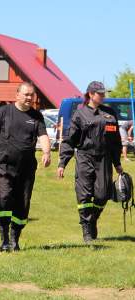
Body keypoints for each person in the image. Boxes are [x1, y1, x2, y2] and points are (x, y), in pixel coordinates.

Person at [0, 82, 51, 252]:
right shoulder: (4, 112)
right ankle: (4, 239)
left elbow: (43, 135)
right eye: (26, 94)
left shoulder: (36, 116)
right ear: (17, 95)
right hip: (5, 166)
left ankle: (15, 238)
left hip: (27, 168)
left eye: (32, 95)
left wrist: (46, 153)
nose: (29, 98)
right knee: (5, 199)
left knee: (23, 204)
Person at [58, 81, 123, 243]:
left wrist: (117, 163)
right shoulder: (80, 114)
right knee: (84, 195)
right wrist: (62, 163)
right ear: (90, 94)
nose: (103, 96)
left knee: (103, 194)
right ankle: (87, 230)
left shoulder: (110, 114)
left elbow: (115, 141)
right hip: (85, 157)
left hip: (104, 158)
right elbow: (69, 140)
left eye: (103, 93)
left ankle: (92, 218)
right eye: (100, 93)